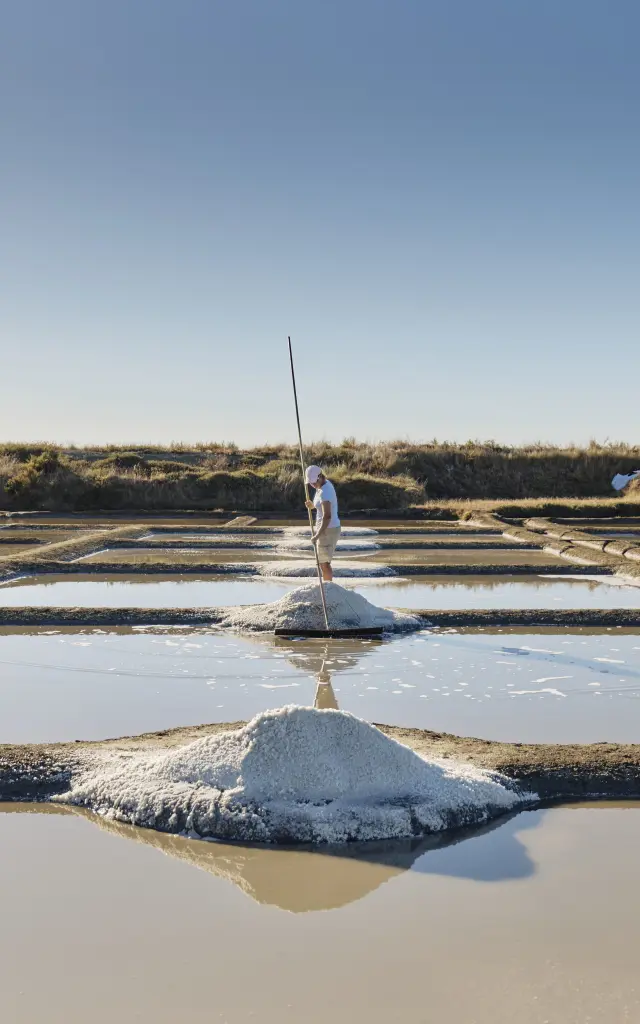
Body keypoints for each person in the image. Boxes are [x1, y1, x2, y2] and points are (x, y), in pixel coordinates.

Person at [304, 465, 341, 581]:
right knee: (322, 562)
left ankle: (328, 588)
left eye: (314, 482)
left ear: (320, 477)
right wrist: (313, 506)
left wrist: (317, 535)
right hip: (326, 529)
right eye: (311, 483)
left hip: (327, 530)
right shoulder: (322, 486)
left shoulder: (325, 492)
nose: (313, 485)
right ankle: (327, 586)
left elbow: (327, 516)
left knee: (324, 563)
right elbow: (322, 507)